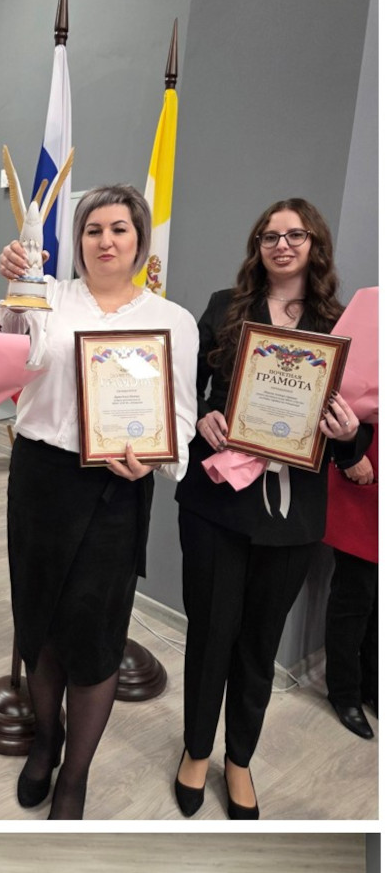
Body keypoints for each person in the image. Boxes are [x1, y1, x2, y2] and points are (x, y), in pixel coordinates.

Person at [0, 185, 198, 818]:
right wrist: (16, 287)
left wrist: (155, 459)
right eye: (92, 230)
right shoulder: (49, 296)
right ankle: (45, 740)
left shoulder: (173, 320)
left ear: (140, 241)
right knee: (38, 622)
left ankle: (75, 774)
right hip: (40, 479)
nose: (105, 241)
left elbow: (181, 416)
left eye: (119, 229)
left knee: (95, 634)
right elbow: (9, 357)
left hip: (117, 488)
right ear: (77, 240)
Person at [174, 198, 372, 819]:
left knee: (259, 643)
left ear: (315, 245)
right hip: (217, 501)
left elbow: (357, 431)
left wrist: (350, 436)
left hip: (293, 513)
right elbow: (186, 391)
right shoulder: (224, 307)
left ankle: (239, 759)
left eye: (295, 235)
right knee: (210, 634)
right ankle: (196, 750)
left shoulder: (342, 324)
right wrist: (200, 418)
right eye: (269, 235)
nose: (281, 244)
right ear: (256, 246)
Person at [325, 418, 378, 739]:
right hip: (367, 466)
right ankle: (344, 691)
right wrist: (350, 455)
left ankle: (373, 683)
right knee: (354, 595)